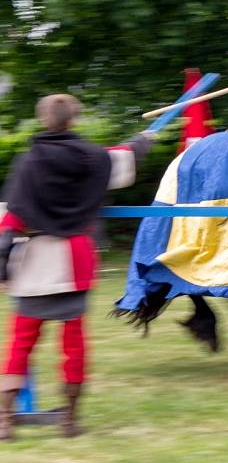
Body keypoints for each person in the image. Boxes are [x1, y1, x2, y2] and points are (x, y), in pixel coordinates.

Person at [0, 94, 152, 441]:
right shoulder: (92, 157)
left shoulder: (28, 162)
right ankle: (69, 420)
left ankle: (5, 421)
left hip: (34, 266)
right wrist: (143, 141)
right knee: (74, 347)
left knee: (19, 346)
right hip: (74, 260)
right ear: (74, 119)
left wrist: (2, 269)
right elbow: (123, 159)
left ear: (43, 120)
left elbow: (11, 222)